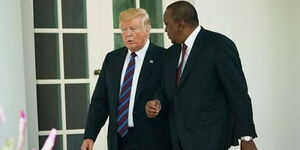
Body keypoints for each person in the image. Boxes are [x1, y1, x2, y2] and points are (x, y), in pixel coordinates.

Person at [145, 1, 258, 150]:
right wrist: (156, 101)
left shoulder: (219, 45)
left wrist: (246, 137)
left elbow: (237, 93)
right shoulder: (170, 54)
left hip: (210, 140)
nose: (166, 30)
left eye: (167, 24)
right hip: (176, 140)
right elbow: (164, 89)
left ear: (180, 23)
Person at [81, 8, 171, 150]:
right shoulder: (113, 59)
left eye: (133, 28)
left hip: (152, 140)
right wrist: (90, 135)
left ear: (147, 30)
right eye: (123, 29)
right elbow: (100, 101)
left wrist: (157, 102)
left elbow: (168, 93)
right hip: (118, 140)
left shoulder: (164, 58)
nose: (127, 34)